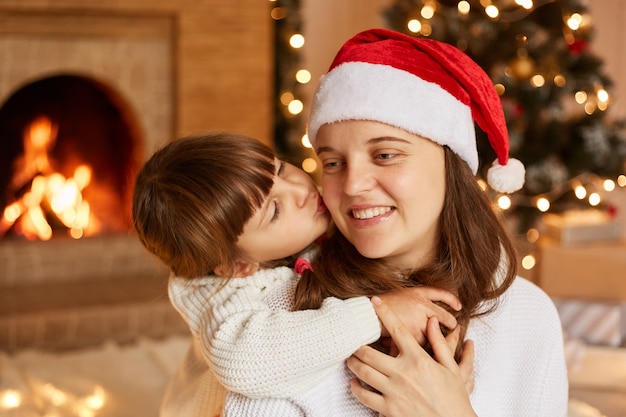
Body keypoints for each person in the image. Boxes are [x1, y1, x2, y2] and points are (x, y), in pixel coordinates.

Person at [304, 28, 569, 416]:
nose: (353, 185)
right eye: (332, 163)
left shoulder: (528, 317)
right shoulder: (287, 316)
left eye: (385, 155)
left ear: (451, 165)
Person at [132, 132, 472, 417]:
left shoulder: (294, 239)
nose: (300, 191)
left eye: (279, 169)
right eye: (275, 210)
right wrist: (377, 316)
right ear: (238, 266)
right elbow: (243, 361)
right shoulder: (228, 299)